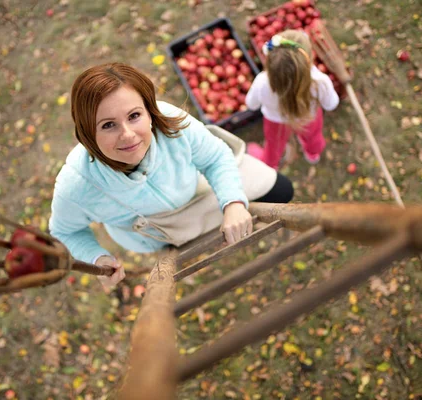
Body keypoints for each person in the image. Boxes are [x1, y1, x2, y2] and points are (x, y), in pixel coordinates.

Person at [49, 63, 294, 288]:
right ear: (87, 134)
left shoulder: (171, 122)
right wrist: (97, 256)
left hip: (195, 192)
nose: (128, 135)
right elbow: (65, 231)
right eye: (108, 125)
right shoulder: (76, 185)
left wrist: (233, 203)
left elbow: (215, 157)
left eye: (134, 116)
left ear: (149, 112)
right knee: (185, 252)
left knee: (282, 190)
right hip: (156, 235)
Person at [245, 30, 339, 168]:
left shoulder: (262, 82)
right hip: (308, 117)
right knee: (313, 136)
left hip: (276, 121)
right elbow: (331, 104)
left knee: (274, 145)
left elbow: (251, 104)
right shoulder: (320, 82)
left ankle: (270, 165)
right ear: (309, 59)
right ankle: (313, 153)